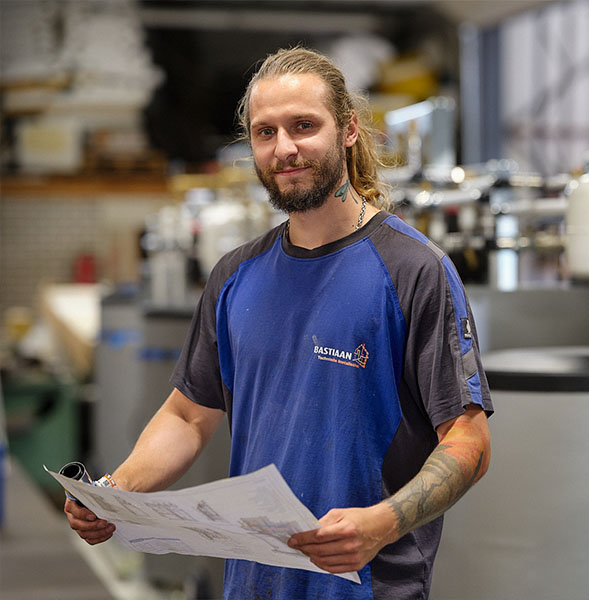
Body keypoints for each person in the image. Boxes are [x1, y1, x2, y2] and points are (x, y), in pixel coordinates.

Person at [64, 46, 492, 600]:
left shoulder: (414, 270)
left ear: (349, 130)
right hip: (254, 583)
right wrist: (113, 492)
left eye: (303, 126)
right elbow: (188, 416)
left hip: (363, 586)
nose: (284, 149)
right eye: (265, 133)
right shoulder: (235, 275)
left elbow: (469, 439)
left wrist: (383, 522)